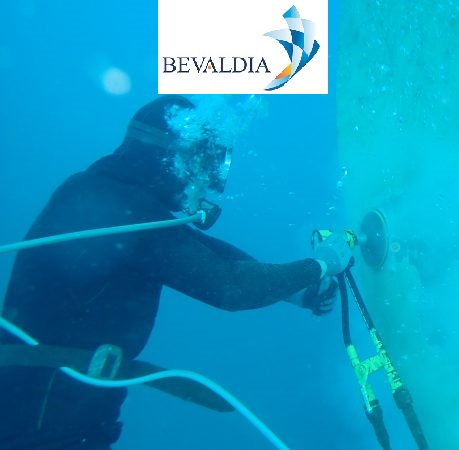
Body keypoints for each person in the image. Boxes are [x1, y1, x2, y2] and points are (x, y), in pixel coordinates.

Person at [0, 95, 351, 449]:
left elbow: (205, 254)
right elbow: (230, 286)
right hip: (43, 420)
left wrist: (296, 291)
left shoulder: (105, 196)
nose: (203, 183)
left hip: (49, 410)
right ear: (175, 156)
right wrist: (321, 263)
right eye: (203, 166)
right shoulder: (123, 209)